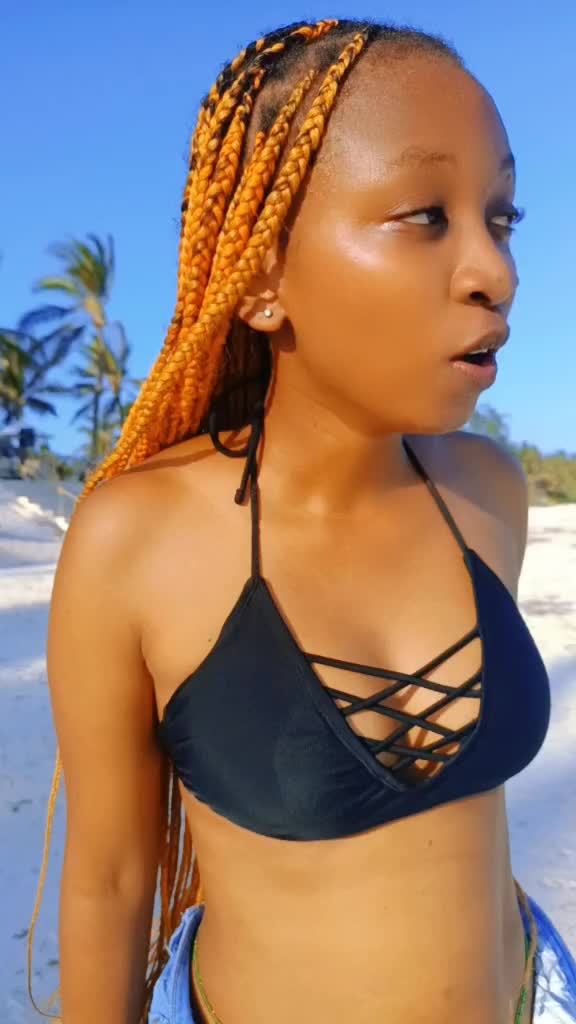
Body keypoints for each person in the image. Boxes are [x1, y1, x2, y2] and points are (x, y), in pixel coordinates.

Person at [27, 17, 576, 1024]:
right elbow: (109, 882)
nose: (495, 271)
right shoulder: (135, 542)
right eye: (425, 215)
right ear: (262, 276)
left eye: (501, 218)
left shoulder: (487, 493)